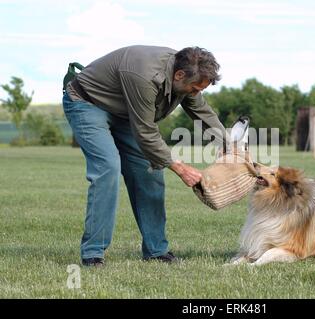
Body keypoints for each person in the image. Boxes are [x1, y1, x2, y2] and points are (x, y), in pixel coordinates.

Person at [62, 45, 227, 266]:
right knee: (108, 168)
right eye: (194, 88)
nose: (195, 93)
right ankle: (93, 252)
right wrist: (180, 167)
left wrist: (228, 144)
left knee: (150, 173)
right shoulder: (145, 75)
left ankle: (156, 251)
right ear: (179, 75)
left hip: (124, 112)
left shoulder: (185, 76)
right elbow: (145, 131)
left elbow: (201, 110)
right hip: (87, 102)